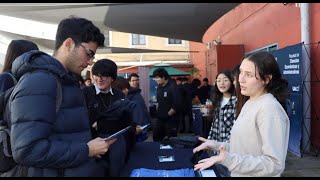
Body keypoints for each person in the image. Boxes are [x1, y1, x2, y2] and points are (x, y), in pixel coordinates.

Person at [8, 16, 116, 177]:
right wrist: (86, 150)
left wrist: (89, 148)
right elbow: (27, 150)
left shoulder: (65, 80)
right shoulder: (39, 81)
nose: (90, 62)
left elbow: (63, 135)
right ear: (69, 44)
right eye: (89, 53)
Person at [193, 51, 290, 177]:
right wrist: (216, 145)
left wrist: (227, 159)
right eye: (241, 72)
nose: (240, 79)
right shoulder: (250, 102)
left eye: (249, 75)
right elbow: (243, 149)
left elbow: (274, 164)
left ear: (266, 79)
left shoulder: (269, 109)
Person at [82, 59, 128, 177]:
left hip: (116, 142)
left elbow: (125, 119)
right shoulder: (85, 93)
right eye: (96, 75)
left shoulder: (119, 95)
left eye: (104, 75)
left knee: (116, 172)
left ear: (112, 78)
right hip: (92, 142)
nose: (99, 79)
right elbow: (81, 121)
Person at [152, 67, 182, 141]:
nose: (155, 80)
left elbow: (177, 104)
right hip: (159, 118)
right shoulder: (159, 87)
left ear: (163, 77)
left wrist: (167, 115)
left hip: (171, 119)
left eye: (157, 78)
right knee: (156, 138)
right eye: (154, 78)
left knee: (171, 140)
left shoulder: (173, 87)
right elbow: (158, 101)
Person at [207, 70, 237, 143]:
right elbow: (214, 124)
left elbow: (236, 127)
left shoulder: (236, 101)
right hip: (217, 142)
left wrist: (226, 144)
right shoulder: (217, 100)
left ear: (232, 82)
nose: (221, 83)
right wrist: (210, 141)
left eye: (225, 80)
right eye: (219, 81)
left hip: (230, 146)